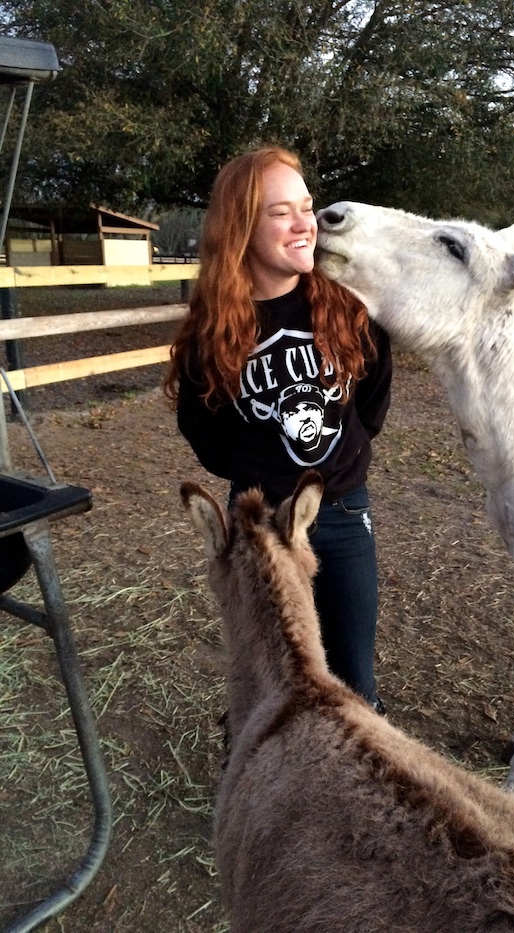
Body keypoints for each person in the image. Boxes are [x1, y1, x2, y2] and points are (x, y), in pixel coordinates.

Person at [165, 146, 392, 710]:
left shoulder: (348, 310)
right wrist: (258, 473)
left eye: (307, 207)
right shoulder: (210, 333)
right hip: (260, 525)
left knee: (354, 681)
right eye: (280, 212)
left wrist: (340, 458)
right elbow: (206, 434)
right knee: (273, 679)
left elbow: (371, 404)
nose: (304, 223)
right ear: (240, 228)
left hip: (340, 514)